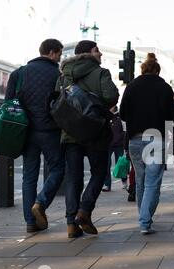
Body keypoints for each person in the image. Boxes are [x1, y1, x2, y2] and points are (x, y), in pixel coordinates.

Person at [58, 40, 120, 238]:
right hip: (95, 131)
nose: (100, 54)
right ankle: (84, 211)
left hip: (70, 132)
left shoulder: (63, 75)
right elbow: (111, 96)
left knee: (74, 178)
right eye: (97, 50)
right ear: (87, 54)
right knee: (99, 173)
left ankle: (71, 224)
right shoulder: (101, 72)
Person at [5, 39, 65, 234]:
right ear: (52, 52)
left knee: (29, 176)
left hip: (26, 132)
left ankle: (30, 222)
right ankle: (41, 202)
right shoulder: (58, 75)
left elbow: (8, 104)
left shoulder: (19, 73)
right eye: (59, 54)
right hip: (50, 131)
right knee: (57, 169)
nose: (60, 58)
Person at [120, 53, 174, 235]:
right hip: (156, 139)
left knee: (141, 181)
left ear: (142, 69)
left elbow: (122, 114)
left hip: (135, 139)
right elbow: (170, 117)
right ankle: (145, 221)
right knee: (152, 182)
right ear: (157, 71)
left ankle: (143, 217)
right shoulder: (165, 88)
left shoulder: (131, 86)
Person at [103, 106, 127, 192]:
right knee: (106, 165)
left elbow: (125, 130)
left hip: (119, 145)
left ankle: (124, 181)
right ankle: (107, 184)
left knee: (120, 164)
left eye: (112, 106)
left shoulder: (120, 117)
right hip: (108, 145)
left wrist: (121, 139)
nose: (110, 108)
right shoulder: (106, 116)